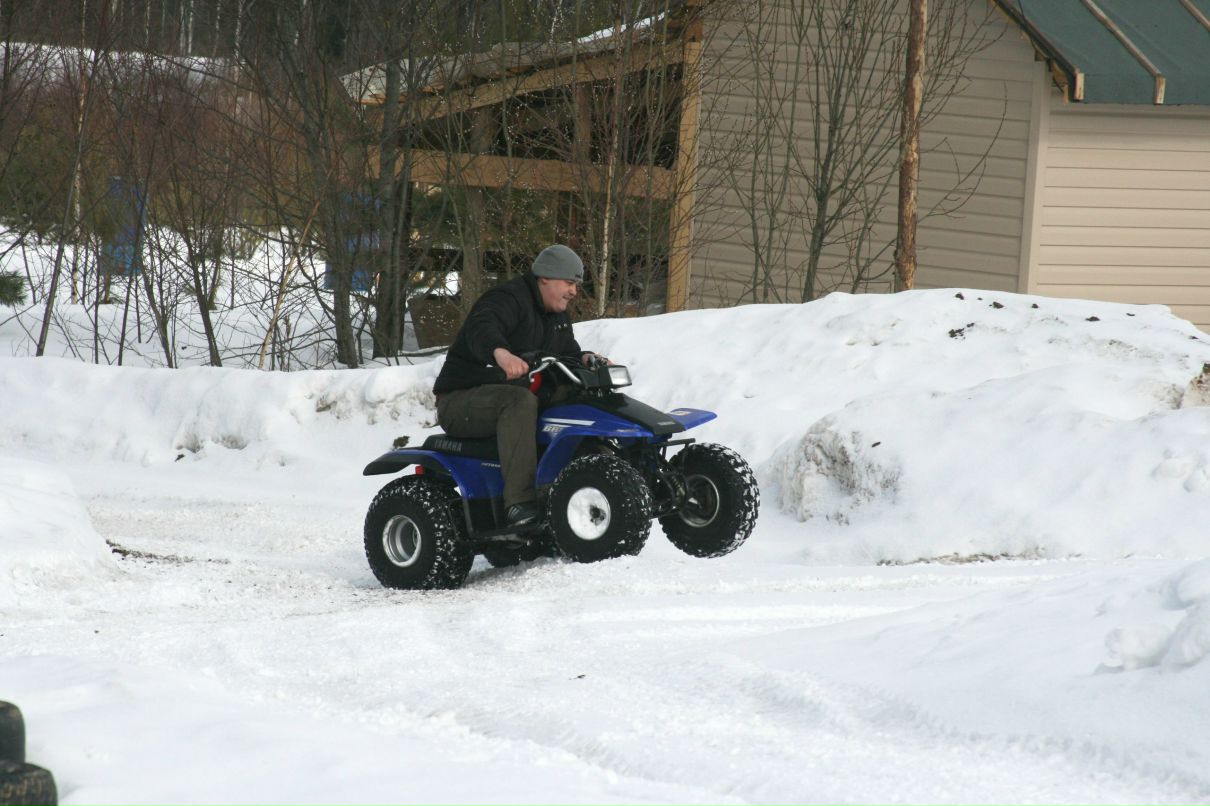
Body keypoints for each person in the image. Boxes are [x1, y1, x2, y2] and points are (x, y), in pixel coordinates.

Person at [432, 244, 606, 526]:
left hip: (513, 393)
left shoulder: (557, 315)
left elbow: (567, 353)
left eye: (576, 285)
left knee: (578, 394)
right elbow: (482, 327)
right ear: (545, 277)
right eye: (569, 282)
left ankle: (583, 478)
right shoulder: (508, 298)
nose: (574, 291)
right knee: (518, 401)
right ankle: (520, 503)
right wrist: (500, 353)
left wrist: (586, 359)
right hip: (460, 399)